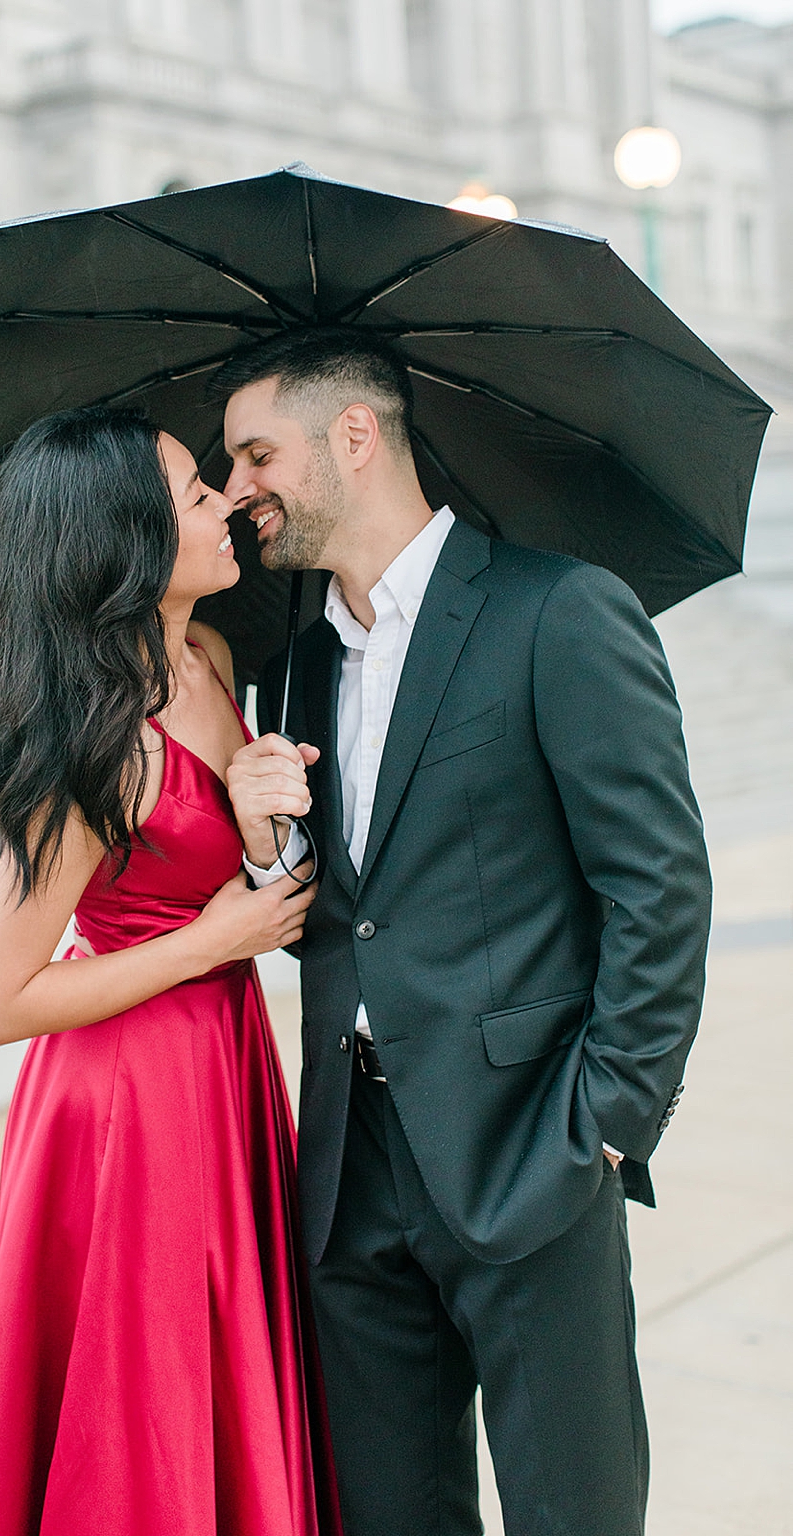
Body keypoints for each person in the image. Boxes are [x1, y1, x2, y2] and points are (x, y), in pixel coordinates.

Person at [217, 328, 712, 1536]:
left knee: (572, 1516)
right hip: (347, 1168)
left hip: (527, 1152)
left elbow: (658, 889)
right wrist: (263, 840)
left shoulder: (559, 611)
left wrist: (602, 1125)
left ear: (354, 434)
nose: (237, 492)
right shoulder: (284, 669)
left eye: (254, 455)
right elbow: (334, 918)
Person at [0, 404, 341, 1536]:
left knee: (223, 1370)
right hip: (129, 1101)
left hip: (223, 1060)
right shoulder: (97, 739)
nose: (226, 504)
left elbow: (242, 883)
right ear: (126, 543)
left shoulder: (210, 655)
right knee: (144, 1396)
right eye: (194, 497)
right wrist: (213, 942)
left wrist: (266, 826)